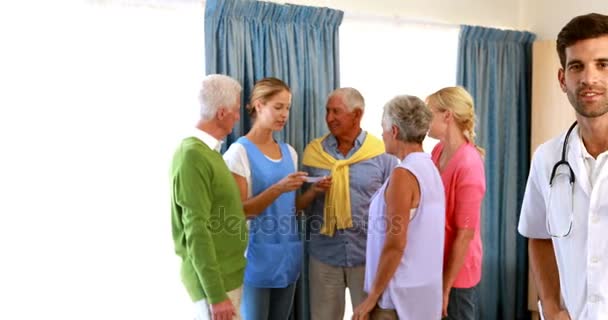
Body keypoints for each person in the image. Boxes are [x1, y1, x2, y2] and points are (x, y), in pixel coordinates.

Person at [518, 13, 608, 319]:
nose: (589, 78)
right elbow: (539, 235)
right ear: (562, 79)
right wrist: (552, 307)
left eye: (602, 64)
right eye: (576, 66)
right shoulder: (547, 158)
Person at [223, 77, 331, 320]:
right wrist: (278, 188)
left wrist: (313, 191)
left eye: (288, 108)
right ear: (259, 105)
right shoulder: (238, 153)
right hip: (254, 258)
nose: (284, 114)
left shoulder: (289, 152)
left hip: (287, 256)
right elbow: (240, 212)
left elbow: (291, 210)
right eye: (278, 107)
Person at [301, 87, 398, 320]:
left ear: (357, 115)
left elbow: (395, 207)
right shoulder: (314, 153)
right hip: (324, 256)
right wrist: (314, 191)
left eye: (337, 111)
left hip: (367, 256)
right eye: (327, 111)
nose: (329, 118)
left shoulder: (382, 154)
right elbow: (298, 204)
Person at [352, 95, 446, 320]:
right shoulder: (430, 168)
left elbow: (395, 244)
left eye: (383, 129)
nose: (382, 135)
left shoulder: (403, 176)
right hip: (424, 293)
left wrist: (371, 298)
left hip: (397, 301)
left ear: (394, 131)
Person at [170, 74, 247, 320]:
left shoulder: (211, 153)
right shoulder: (192, 156)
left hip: (228, 277)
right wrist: (215, 295)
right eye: (235, 110)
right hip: (216, 285)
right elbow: (196, 229)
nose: (238, 116)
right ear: (222, 113)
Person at [426, 86, 486, 319]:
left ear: (447, 115)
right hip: (436, 262)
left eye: (429, 112)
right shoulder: (438, 151)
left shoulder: (469, 164)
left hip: (457, 273)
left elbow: (465, 233)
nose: (424, 119)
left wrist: (445, 287)